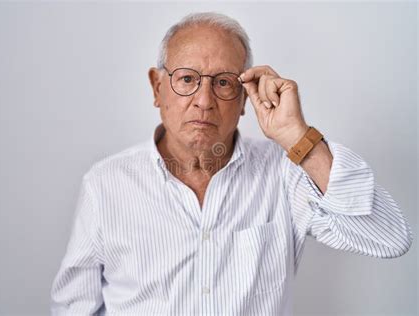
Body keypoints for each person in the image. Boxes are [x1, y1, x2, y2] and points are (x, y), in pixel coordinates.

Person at [50, 12, 413, 315]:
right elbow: (75, 308)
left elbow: (389, 238)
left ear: (244, 100)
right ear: (156, 87)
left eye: (223, 82)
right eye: (187, 79)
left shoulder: (283, 173)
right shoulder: (105, 183)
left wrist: (296, 136)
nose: (204, 101)